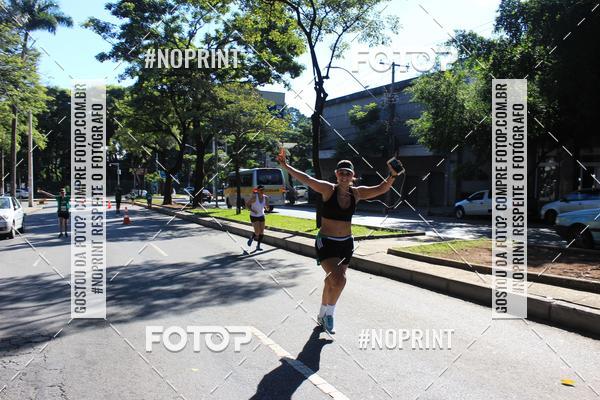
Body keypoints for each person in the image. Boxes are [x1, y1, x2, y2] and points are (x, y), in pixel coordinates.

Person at [276, 148, 401, 334]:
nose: (344, 176)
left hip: (346, 243)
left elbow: (381, 188)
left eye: (348, 173)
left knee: (332, 281)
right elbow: (307, 179)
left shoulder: (356, 193)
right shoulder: (328, 189)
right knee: (339, 280)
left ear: (353, 176)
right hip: (326, 242)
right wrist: (286, 166)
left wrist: (393, 175)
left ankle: (322, 314)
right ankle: (330, 315)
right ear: (336, 174)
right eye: (341, 172)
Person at [246, 185, 269, 251]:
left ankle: (258, 246)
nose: (262, 191)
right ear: (258, 190)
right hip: (254, 216)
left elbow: (266, 206)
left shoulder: (266, 198)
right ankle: (252, 237)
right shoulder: (254, 197)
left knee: (262, 232)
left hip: (261, 215)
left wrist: (267, 208)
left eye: (263, 190)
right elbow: (247, 204)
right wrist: (253, 210)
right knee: (257, 232)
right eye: (260, 190)